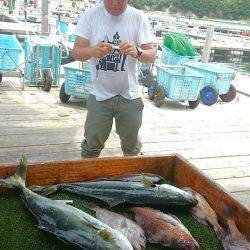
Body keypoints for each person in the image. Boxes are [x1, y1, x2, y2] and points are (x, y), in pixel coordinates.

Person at [72, 0, 156, 158]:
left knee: (132, 147)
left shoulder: (138, 17)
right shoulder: (90, 15)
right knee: (91, 146)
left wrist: (137, 52)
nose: (114, 3)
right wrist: (92, 51)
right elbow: (77, 52)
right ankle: (87, 179)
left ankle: (132, 180)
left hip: (129, 94)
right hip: (99, 94)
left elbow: (151, 55)